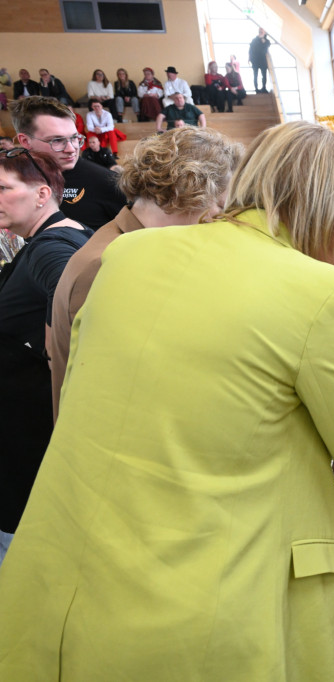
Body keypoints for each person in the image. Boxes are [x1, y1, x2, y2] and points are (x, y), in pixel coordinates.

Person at [0, 120, 334, 679]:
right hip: (196, 609)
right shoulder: (324, 292)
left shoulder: (131, 254)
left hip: (55, 585)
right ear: (325, 209)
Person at [50, 127, 242, 416]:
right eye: (218, 205)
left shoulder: (136, 244)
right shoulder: (105, 264)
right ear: (185, 193)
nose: (221, 218)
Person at [0, 148, 90, 567]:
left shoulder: (51, 246)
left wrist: (55, 353)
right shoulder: (60, 234)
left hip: (33, 431)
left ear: (40, 194)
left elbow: (75, 300)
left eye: (3, 188)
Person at [12, 97, 127, 230]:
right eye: (57, 140)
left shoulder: (109, 182)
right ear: (25, 141)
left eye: (74, 138)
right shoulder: (11, 182)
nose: (71, 149)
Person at [249, 27, 272, 93]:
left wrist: (262, 38)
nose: (261, 31)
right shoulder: (254, 40)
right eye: (260, 30)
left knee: (264, 75)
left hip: (263, 61)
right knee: (255, 75)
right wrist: (249, 58)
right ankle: (256, 88)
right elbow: (250, 49)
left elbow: (267, 45)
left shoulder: (267, 41)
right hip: (255, 60)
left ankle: (263, 88)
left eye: (262, 30)